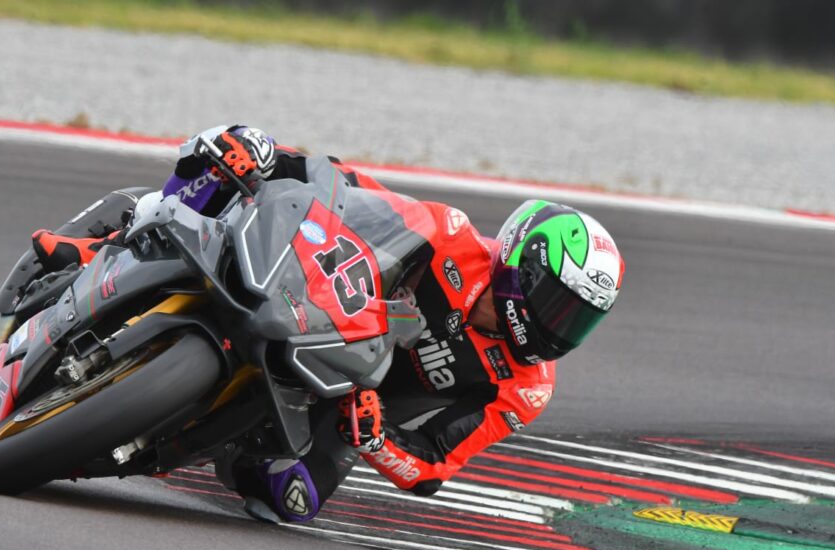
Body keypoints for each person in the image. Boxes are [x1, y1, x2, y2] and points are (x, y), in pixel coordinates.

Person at [31, 125, 625, 524]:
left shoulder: (526, 387)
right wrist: (263, 155)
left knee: (292, 503)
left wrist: (377, 441)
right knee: (206, 197)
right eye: (557, 304)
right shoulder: (450, 235)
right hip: (317, 311)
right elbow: (344, 187)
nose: (557, 329)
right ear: (523, 263)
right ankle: (92, 245)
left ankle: (177, 438)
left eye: (578, 320)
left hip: (349, 402)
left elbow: (435, 464)